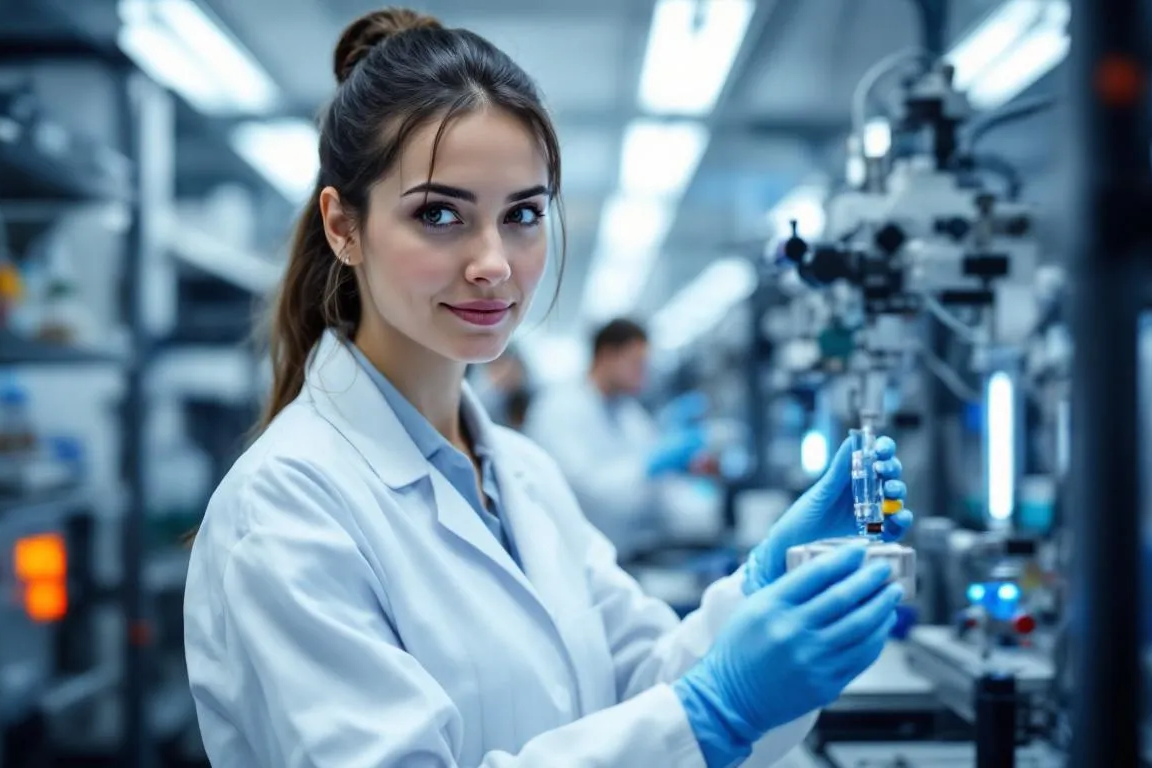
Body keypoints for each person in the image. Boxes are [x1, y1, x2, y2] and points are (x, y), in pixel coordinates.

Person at [182, 8, 914, 768]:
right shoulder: (286, 509)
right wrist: (714, 713)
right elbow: (680, 720)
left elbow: (643, 685)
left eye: (524, 214)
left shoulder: (524, 477)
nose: (494, 262)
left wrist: (765, 586)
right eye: (440, 214)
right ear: (344, 226)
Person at [524, 318, 709, 558]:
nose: (643, 375)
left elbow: (658, 487)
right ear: (607, 355)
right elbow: (589, 491)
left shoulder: (629, 413)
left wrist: (689, 481)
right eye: (636, 364)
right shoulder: (559, 408)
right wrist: (648, 466)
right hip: (569, 554)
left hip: (620, 551)